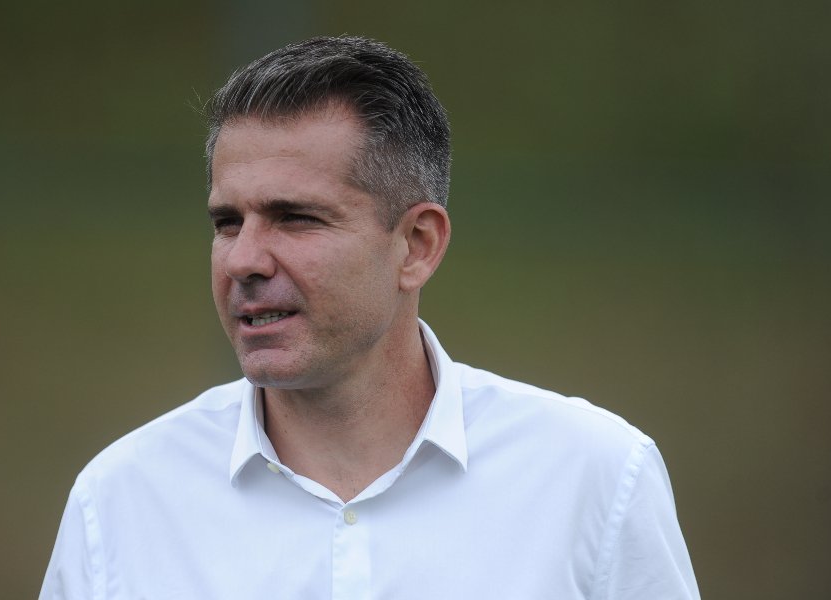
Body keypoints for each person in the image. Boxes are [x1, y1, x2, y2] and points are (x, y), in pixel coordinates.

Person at [40, 36, 699, 599]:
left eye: (295, 218)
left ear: (417, 246)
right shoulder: (121, 502)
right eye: (227, 222)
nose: (243, 259)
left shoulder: (595, 478)